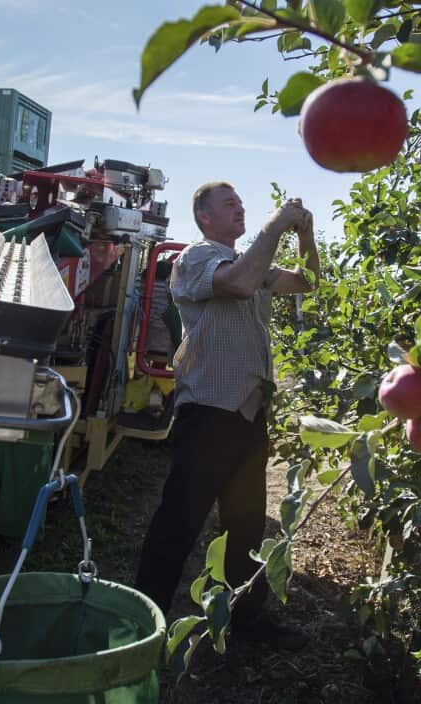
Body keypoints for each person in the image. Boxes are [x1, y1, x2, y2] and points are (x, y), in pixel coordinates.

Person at [134, 182, 320, 649]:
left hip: (248, 414)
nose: (240, 208)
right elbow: (236, 285)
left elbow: (307, 283)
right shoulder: (195, 258)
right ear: (205, 219)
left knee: (247, 525)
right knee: (179, 523)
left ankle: (245, 621)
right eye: (229, 204)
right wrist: (275, 224)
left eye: (242, 202)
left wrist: (306, 236)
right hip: (209, 415)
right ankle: (142, 620)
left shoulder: (252, 265)